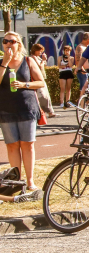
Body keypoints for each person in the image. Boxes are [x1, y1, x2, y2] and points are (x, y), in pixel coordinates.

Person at [0, 31, 45, 193]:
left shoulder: (28, 60)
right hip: (6, 109)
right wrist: (5, 62)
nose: (8, 44)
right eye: (5, 41)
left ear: (19, 44)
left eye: (12, 41)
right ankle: (16, 181)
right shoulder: (0, 62)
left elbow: (40, 82)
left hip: (27, 108)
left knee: (28, 144)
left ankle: (30, 181)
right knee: (12, 146)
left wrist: (24, 85)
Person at [29, 44, 56, 117]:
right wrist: (43, 60)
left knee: (46, 95)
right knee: (43, 96)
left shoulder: (38, 57)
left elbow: (44, 66)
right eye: (39, 51)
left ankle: (50, 112)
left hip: (42, 77)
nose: (41, 52)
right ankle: (47, 112)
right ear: (35, 50)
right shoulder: (33, 57)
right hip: (37, 79)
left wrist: (44, 60)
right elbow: (39, 67)